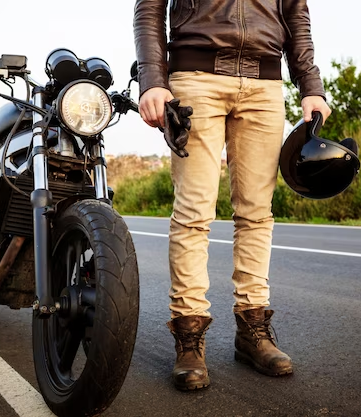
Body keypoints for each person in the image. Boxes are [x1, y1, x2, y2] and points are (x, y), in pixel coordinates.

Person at [133, 0, 331, 391]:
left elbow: (296, 14)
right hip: (195, 75)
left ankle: (252, 330)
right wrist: (153, 79)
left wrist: (311, 86)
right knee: (193, 211)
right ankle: (189, 338)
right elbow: (149, 7)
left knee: (257, 212)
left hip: (265, 84)